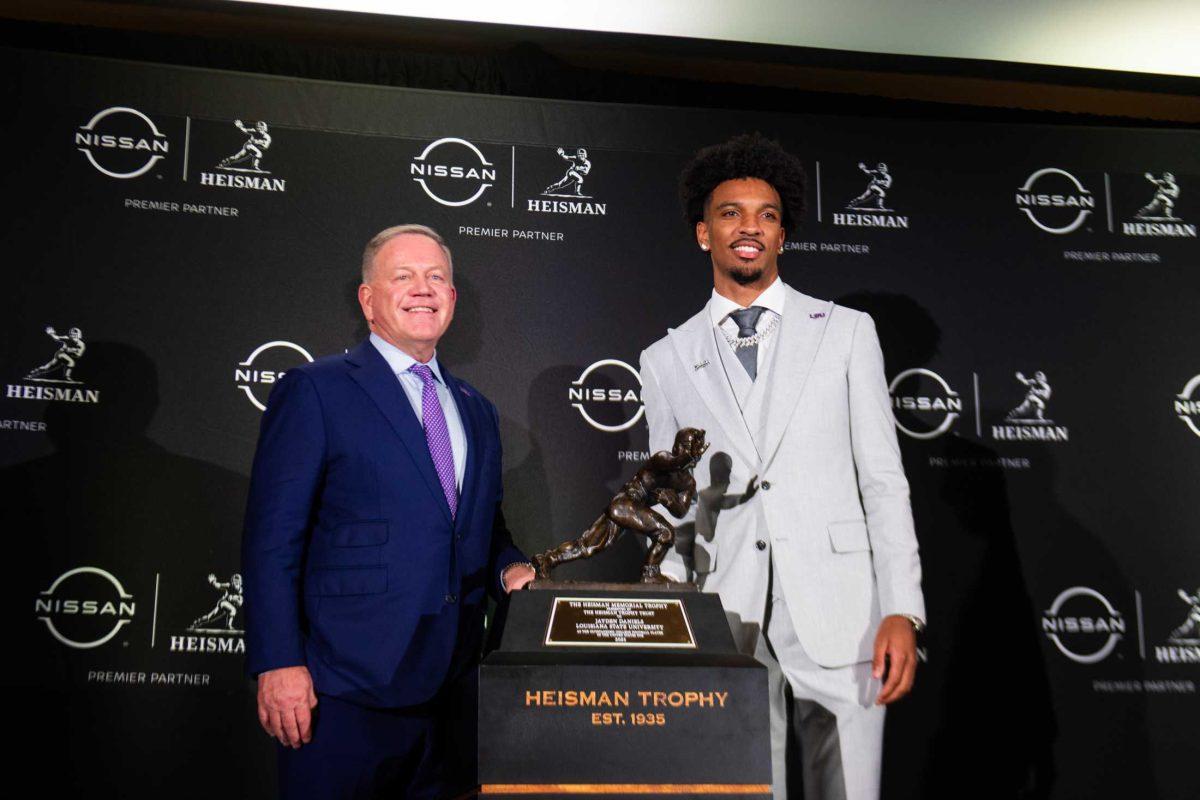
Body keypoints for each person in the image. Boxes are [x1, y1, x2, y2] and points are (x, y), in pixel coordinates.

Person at [639, 134, 925, 800]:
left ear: (782, 234)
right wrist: (672, 612)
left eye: (766, 215)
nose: (750, 227)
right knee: (740, 790)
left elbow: (883, 481)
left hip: (844, 612)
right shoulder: (665, 359)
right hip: (723, 613)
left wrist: (902, 609)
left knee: (848, 789)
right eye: (731, 213)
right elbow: (670, 500)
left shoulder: (846, 332)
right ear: (703, 233)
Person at [242, 224, 535, 799]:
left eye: (436, 278)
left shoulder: (477, 410)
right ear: (367, 298)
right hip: (340, 694)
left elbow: (479, 527)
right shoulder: (316, 390)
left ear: (452, 300)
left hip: (451, 696)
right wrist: (278, 663)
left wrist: (510, 571)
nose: (422, 289)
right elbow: (272, 539)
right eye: (403, 277)